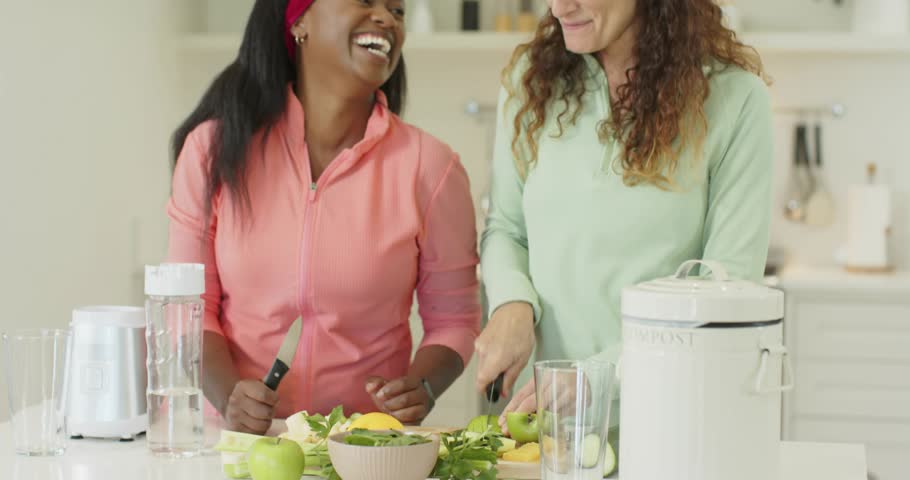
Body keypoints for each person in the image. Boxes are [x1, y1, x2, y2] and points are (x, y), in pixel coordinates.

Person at [167, 0, 481, 434]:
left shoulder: (431, 167)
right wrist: (230, 397)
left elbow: (455, 322)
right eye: (366, 1)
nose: (387, 19)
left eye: (397, 10)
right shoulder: (213, 151)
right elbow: (189, 309)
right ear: (299, 20)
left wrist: (421, 386)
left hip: (363, 452)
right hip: (236, 448)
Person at [474, 0, 773, 443]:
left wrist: (597, 377)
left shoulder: (735, 98)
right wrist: (511, 302)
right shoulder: (530, 81)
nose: (559, 8)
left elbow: (725, 291)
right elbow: (506, 227)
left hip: (673, 424)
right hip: (549, 431)